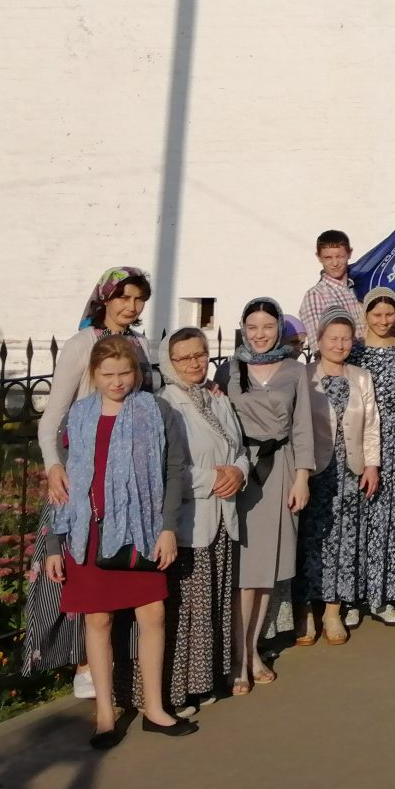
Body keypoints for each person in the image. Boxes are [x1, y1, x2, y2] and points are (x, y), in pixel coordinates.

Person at [42, 335, 196, 748]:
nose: (116, 382)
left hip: (143, 531)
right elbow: (67, 485)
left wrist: (167, 528)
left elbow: (174, 470)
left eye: (124, 373)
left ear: (139, 372)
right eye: (107, 374)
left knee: (153, 616)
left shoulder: (156, 410)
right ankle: (106, 713)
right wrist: (57, 542)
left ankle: (154, 708)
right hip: (87, 532)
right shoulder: (79, 415)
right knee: (98, 620)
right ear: (93, 374)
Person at [31, 265, 154, 701]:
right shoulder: (83, 345)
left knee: (121, 566)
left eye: (139, 299)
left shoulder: (140, 345)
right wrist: (53, 466)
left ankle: (113, 663)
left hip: (127, 480)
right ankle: (82, 661)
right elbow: (53, 416)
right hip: (82, 476)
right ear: (105, 298)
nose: (131, 306)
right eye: (123, 297)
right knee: (78, 571)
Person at [139, 327, 247, 718]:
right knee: (186, 611)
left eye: (200, 354)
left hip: (222, 516)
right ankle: (177, 689)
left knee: (214, 603)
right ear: (170, 362)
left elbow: (239, 448)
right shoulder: (165, 403)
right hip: (190, 520)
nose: (195, 363)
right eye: (184, 357)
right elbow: (167, 469)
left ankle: (205, 681)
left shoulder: (216, 399)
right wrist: (213, 479)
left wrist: (238, 471)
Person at [225, 297, 315, 692]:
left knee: (267, 573)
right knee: (246, 572)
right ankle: (238, 658)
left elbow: (302, 427)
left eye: (267, 326)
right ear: (243, 329)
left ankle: (253, 648)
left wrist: (302, 477)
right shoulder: (231, 368)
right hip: (243, 472)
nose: (260, 335)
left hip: (280, 469)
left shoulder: (295, 370)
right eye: (252, 327)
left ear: (278, 328)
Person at [298, 313, 381, 645]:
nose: (339, 344)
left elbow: (372, 424)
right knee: (310, 540)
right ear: (319, 341)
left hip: (350, 472)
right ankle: (306, 611)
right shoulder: (304, 376)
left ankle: (333, 611)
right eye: (333, 338)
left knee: (344, 541)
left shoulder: (361, 378)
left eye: (346, 338)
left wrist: (372, 465)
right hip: (314, 471)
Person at [352, 288, 395, 625]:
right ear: (366, 315)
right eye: (376, 315)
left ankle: (390, 595)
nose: (383, 321)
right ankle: (356, 596)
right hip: (362, 445)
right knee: (362, 521)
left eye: (389, 314)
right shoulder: (355, 354)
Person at [299, 228, 364, 351]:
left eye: (340, 256)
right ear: (319, 257)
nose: (335, 263)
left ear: (350, 253)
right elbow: (319, 345)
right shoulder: (316, 295)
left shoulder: (360, 288)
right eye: (328, 257)